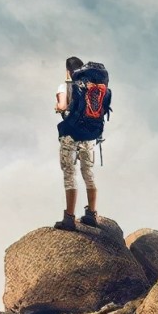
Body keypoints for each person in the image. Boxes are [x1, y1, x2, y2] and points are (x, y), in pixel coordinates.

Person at [53, 56, 100, 231]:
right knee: (88, 172)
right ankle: (92, 214)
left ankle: (69, 218)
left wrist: (58, 106)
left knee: (69, 174)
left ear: (68, 71)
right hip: (89, 136)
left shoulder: (65, 86)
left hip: (70, 136)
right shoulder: (91, 88)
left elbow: (63, 105)